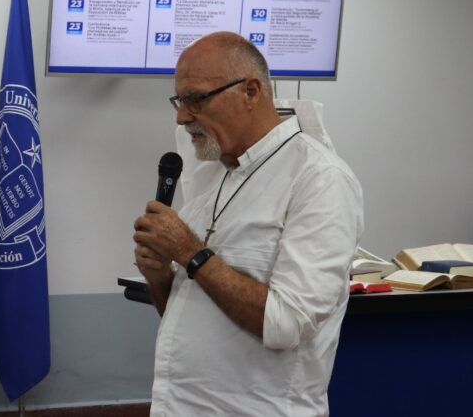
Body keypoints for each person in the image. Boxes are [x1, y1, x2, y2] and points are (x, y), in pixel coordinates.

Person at [133, 32, 363, 416]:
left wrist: (190, 253)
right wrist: (159, 278)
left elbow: (287, 323)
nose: (182, 116)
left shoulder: (318, 178)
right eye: (179, 100)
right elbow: (188, 309)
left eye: (196, 99)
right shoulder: (212, 175)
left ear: (251, 92)